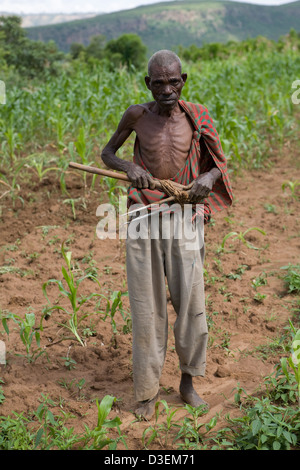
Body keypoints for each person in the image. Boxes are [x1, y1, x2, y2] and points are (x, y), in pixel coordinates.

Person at [101, 50, 233, 419]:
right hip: (143, 216)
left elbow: (219, 164)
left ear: (183, 80)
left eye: (173, 81)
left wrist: (207, 178)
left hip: (185, 216)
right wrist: (128, 167)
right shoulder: (136, 115)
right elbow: (107, 152)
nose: (167, 89)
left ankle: (188, 381)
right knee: (147, 306)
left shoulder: (198, 115)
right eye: (158, 83)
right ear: (148, 84)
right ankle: (147, 392)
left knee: (191, 304)